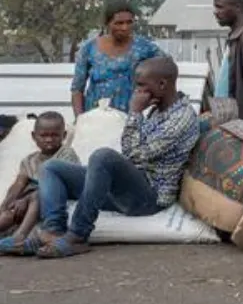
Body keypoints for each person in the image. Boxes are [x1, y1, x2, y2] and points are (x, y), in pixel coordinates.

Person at [37, 56, 199, 258]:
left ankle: (77, 235)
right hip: (129, 187)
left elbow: (134, 153)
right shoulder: (158, 110)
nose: (137, 92)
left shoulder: (181, 118)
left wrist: (134, 112)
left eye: (141, 86)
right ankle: (53, 231)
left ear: (162, 84)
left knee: (102, 157)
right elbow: (132, 151)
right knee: (51, 168)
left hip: (149, 198)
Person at [0, 113, 78, 255]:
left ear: (64, 135)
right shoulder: (29, 160)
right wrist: (6, 204)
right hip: (27, 202)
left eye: (54, 135)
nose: (49, 140)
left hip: (53, 197)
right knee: (7, 215)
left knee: (37, 196)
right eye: (43, 136)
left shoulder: (66, 154)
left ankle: (20, 237)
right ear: (34, 136)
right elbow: (18, 185)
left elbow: (63, 184)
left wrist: (25, 199)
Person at [71, 0, 164, 116]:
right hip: (96, 119)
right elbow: (77, 89)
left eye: (129, 22)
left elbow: (167, 68)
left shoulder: (144, 48)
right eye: (119, 23)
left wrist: (151, 97)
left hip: (130, 118)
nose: (125, 27)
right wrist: (80, 120)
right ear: (107, 23)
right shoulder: (89, 49)